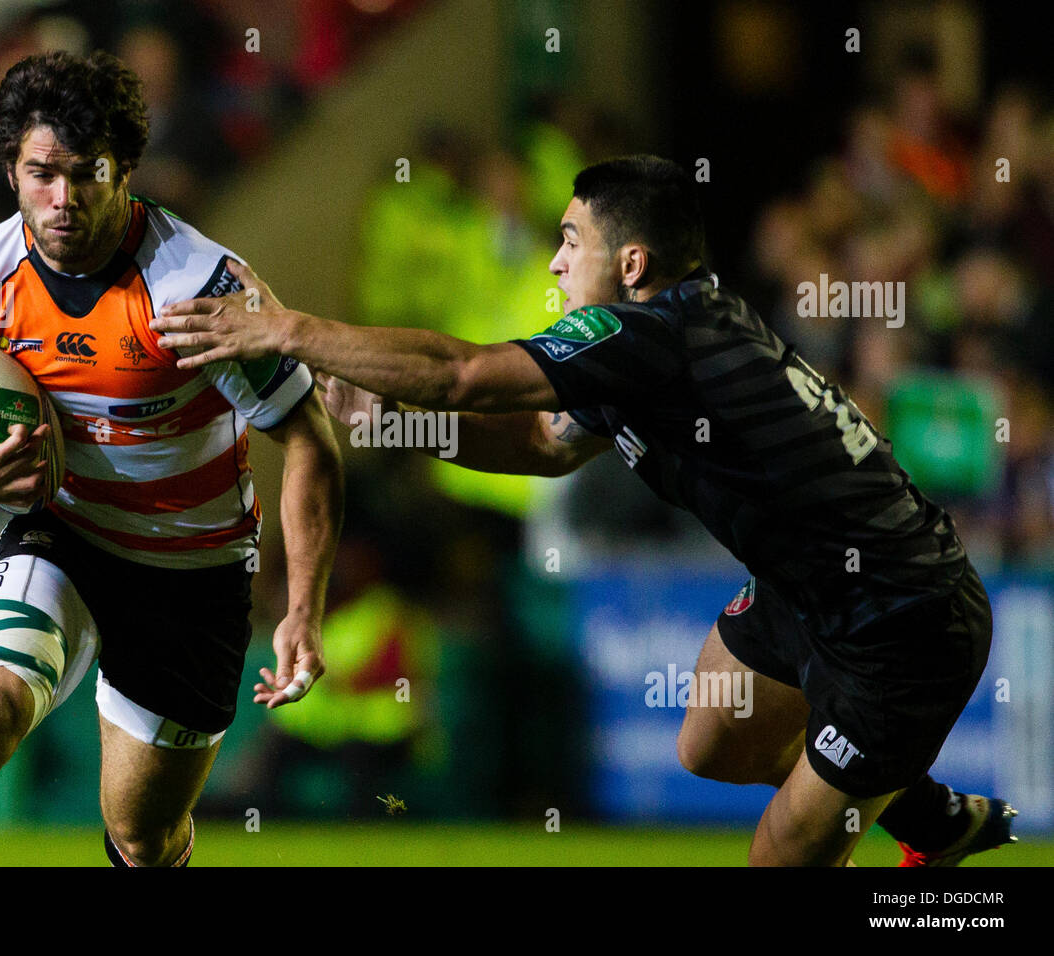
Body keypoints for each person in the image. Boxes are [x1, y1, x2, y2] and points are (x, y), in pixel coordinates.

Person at [151, 155, 1016, 866]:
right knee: (711, 745)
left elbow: (467, 373)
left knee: (779, 862)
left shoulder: (654, 333)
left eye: (570, 241)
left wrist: (285, 329)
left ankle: (923, 858)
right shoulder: (649, 349)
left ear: (631, 264)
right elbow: (540, 445)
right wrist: (394, 423)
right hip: (803, 592)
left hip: (900, 619)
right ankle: (925, 811)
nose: (557, 262)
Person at [0, 50, 343, 868]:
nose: (63, 198)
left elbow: (309, 438)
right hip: (62, 534)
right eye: (43, 172)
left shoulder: (199, 290)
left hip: (194, 567)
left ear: (126, 172)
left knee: (141, 831)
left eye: (88, 174)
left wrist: (303, 607)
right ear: (11, 168)